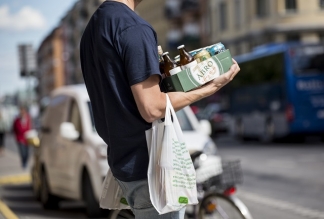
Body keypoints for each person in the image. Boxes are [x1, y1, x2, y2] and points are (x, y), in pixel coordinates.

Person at [80, 0, 240, 218]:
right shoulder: (134, 27)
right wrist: (209, 88)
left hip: (126, 164)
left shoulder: (93, 29)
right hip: (153, 171)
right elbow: (152, 108)